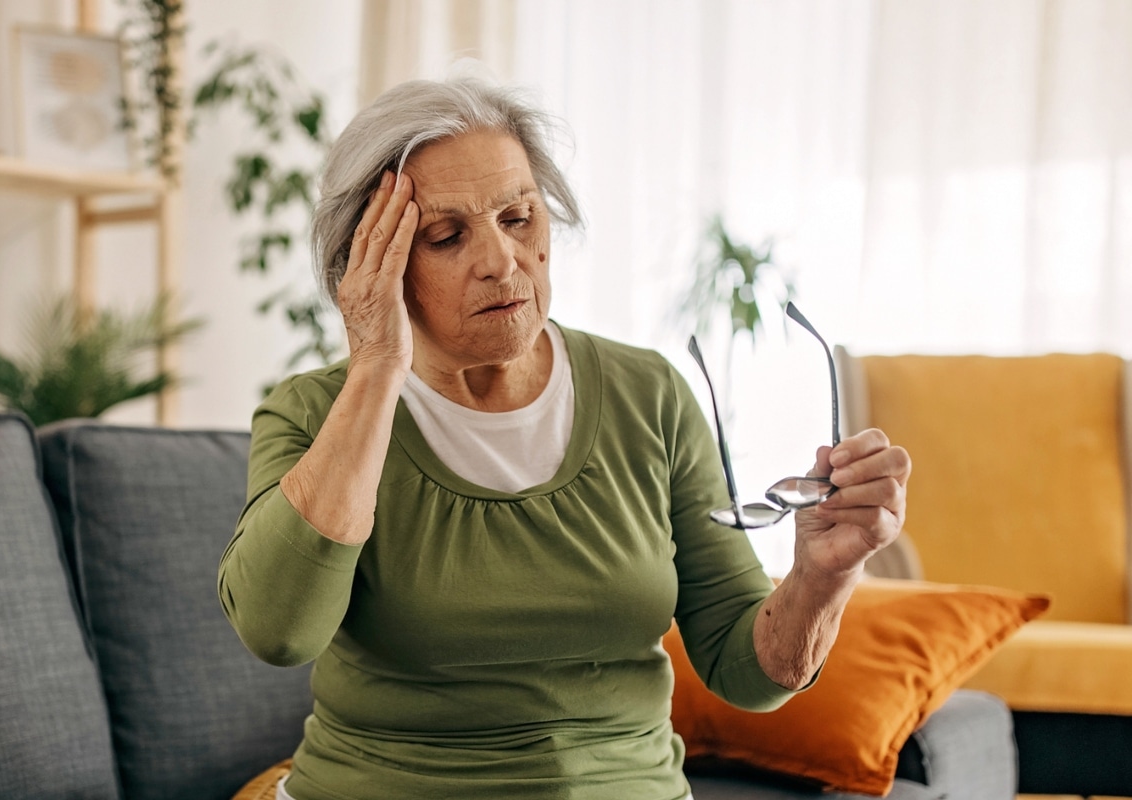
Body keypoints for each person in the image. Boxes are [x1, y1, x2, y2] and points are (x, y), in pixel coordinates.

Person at [218, 75, 911, 800]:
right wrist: (377, 367)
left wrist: (823, 574)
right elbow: (278, 633)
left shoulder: (648, 394)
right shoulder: (314, 413)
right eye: (446, 237)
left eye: (518, 218)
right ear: (373, 263)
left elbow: (747, 670)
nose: (500, 259)